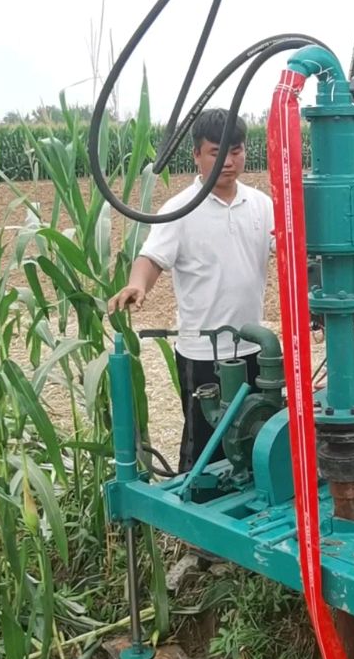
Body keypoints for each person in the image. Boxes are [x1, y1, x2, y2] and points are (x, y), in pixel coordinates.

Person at [108, 109, 274, 471]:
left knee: (254, 439)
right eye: (217, 152)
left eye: (236, 150)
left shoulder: (261, 205)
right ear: (197, 155)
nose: (228, 162)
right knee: (205, 446)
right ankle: (195, 512)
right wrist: (138, 285)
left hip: (254, 349)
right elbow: (151, 258)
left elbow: (293, 250)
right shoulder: (180, 209)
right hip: (203, 354)